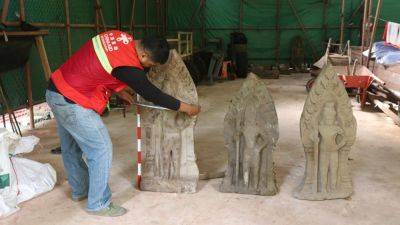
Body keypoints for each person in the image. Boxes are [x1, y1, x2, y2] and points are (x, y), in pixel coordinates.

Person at [45, 30, 200, 217]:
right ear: (143, 55)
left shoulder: (120, 36)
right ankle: (98, 204)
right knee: (101, 150)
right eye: (150, 64)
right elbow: (153, 95)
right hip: (73, 101)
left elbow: (100, 65)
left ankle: (81, 190)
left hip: (56, 89)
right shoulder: (130, 68)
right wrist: (186, 108)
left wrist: (118, 90)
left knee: (70, 148)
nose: (148, 68)